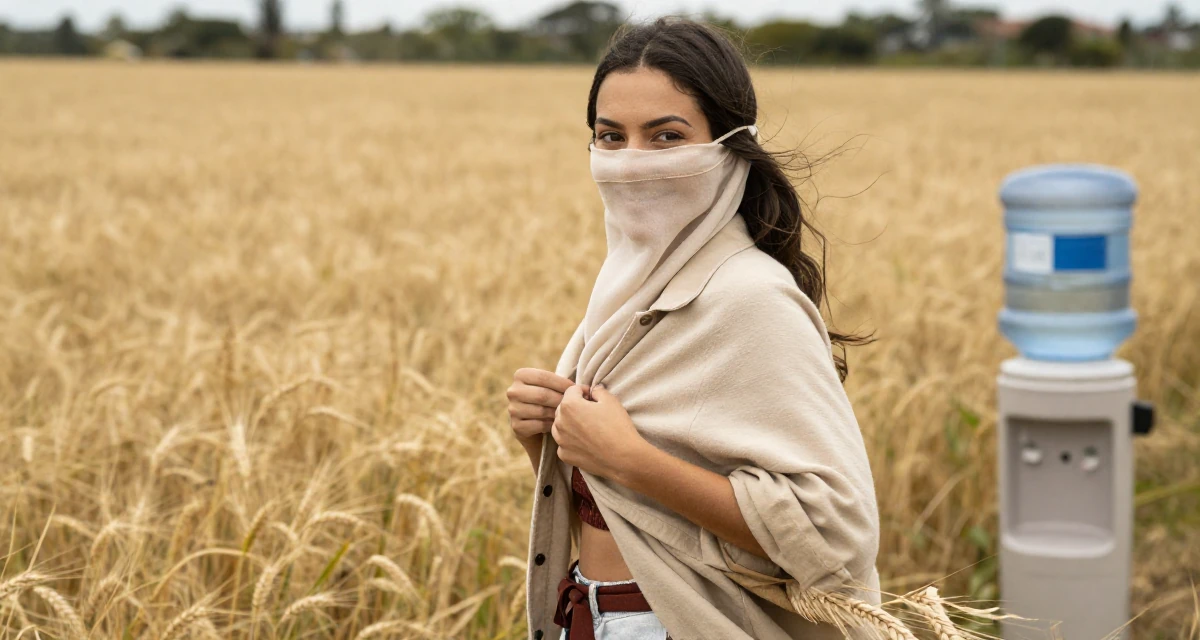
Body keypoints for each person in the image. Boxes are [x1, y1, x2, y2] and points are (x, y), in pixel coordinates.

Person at [506, 16, 881, 640]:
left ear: (729, 145)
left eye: (665, 136)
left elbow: (834, 533)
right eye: (610, 136)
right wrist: (546, 439)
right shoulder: (630, 292)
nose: (631, 163)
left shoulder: (751, 295)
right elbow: (628, 509)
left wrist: (629, 459)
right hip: (595, 612)